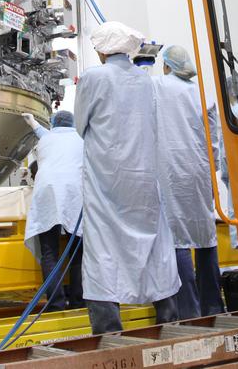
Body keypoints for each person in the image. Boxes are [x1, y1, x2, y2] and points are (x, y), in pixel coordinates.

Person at [75, 21, 180, 334]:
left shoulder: (94, 77)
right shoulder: (145, 81)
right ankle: (169, 321)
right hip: (143, 178)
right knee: (154, 245)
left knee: (103, 251)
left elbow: (81, 125)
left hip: (107, 179)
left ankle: (108, 331)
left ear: (104, 50)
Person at [154, 45, 225, 319]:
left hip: (170, 169)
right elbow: (214, 138)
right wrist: (212, 168)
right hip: (200, 170)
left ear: (167, 66)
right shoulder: (203, 92)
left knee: (177, 237)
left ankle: (189, 311)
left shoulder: (158, 85)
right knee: (205, 233)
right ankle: (213, 307)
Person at [22, 109, 84, 310]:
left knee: (50, 252)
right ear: (72, 123)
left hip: (47, 192)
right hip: (75, 194)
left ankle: (55, 303)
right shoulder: (81, 139)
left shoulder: (47, 138)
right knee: (78, 251)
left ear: (54, 124)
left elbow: (40, 131)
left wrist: (31, 121)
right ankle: (78, 301)